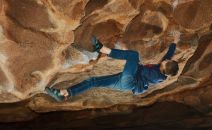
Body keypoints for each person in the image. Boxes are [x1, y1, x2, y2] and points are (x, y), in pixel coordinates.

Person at [45, 31, 180, 102]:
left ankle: (103, 49)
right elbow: (168, 57)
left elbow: (142, 68)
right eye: (166, 61)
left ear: (163, 70)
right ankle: (65, 93)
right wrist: (175, 41)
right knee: (92, 82)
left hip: (130, 81)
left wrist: (129, 54)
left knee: (134, 56)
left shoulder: (156, 76)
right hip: (124, 85)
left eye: (165, 63)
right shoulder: (164, 70)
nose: (164, 61)